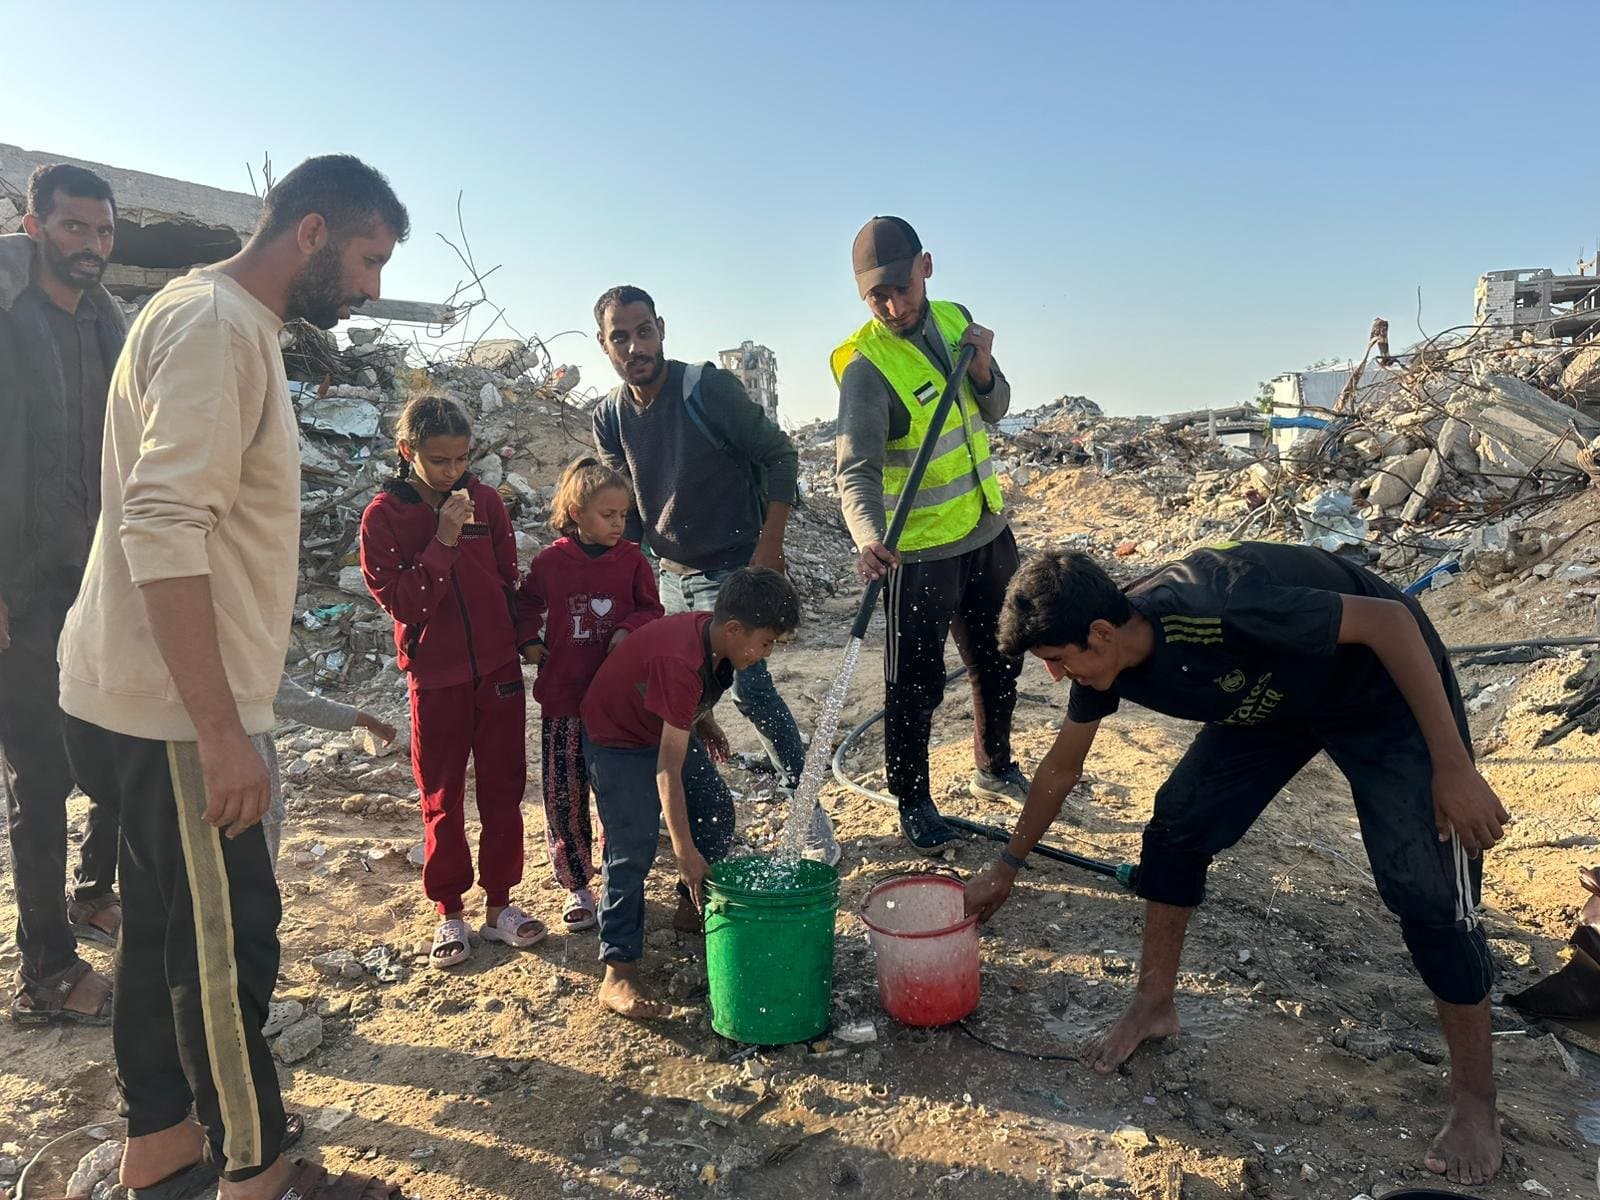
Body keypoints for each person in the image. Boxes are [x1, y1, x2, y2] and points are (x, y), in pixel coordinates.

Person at [57, 154, 410, 1200]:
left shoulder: (209, 315)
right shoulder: (216, 327)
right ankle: (258, 1171)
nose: (372, 287)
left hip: (132, 691)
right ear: (311, 232)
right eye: (366, 258)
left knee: (168, 932)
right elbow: (162, 525)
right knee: (226, 949)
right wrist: (219, 732)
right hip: (172, 714)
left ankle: (160, 1148)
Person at [965, 543, 1510, 1186]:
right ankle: (1153, 1002)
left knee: (1425, 890)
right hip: (1274, 698)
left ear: (1102, 633)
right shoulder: (1104, 659)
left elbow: (1390, 623)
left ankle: (1476, 1101)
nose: (1056, 677)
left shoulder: (1219, 604)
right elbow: (1062, 765)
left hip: (1375, 685)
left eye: (1057, 661)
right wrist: (1006, 864)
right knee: (1177, 827)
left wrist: (1452, 766)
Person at [590, 285, 838, 866]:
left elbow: (780, 454)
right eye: (619, 338)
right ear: (604, 347)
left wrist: (768, 550)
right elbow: (620, 508)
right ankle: (689, 822)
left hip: (733, 566)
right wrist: (632, 581)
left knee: (751, 692)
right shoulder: (610, 417)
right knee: (673, 696)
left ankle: (808, 811)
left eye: (643, 331)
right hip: (669, 572)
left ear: (661, 329)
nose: (634, 346)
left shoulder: (705, 388)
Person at [832, 215, 1027, 852]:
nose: (892, 306)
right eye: (875, 296)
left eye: (900, 288)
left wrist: (985, 369)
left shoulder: (956, 320)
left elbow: (995, 411)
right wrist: (867, 535)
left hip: (985, 526)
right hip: (916, 551)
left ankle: (993, 765)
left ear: (927, 267)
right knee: (913, 684)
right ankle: (912, 797)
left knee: (1000, 659)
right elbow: (854, 469)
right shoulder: (867, 370)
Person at [0, 163, 125, 1027]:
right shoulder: (7, 319)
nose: (91, 246)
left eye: (104, 231)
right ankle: (44, 963)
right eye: (75, 228)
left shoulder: (111, 325)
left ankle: (93, 891)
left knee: (119, 749)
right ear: (37, 225)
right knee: (40, 776)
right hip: (21, 588)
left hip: (98, 580)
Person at [361, 394, 546, 970]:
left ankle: (500, 907)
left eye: (461, 459)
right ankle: (449, 911)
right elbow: (407, 604)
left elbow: (508, 584)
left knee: (503, 792)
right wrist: (442, 538)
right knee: (441, 798)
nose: (451, 471)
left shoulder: (487, 501)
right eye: (438, 460)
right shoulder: (383, 517)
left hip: (497, 674)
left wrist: (527, 643)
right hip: (434, 679)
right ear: (406, 451)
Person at [579, 567, 800, 1020]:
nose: (766, 654)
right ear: (735, 629)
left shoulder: (719, 641)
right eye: (766, 643)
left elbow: (682, 698)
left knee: (716, 808)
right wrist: (683, 850)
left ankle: (689, 905)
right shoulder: (681, 661)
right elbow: (667, 770)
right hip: (617, 739)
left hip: (657, 726)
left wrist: (705, 721)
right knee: (632, 847)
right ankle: (617, 971)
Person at [517, 456, 663, 931]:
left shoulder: (633, 561)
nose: (619, 523)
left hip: (618, 706)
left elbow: (651, 611)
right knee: (564, 792)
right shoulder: (551, 562)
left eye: (623, 514)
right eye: (608, 514)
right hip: (563, 699)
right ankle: (576, 884)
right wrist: (530, 642)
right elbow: (525, 606)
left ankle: (615, 874)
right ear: (577, 512)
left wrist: (626, 629)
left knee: (615, 793)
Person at [260, 675, 398, 866]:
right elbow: (305, 705)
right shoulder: (246, 659)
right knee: (257, 869)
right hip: (250, 777)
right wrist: (371, 722)